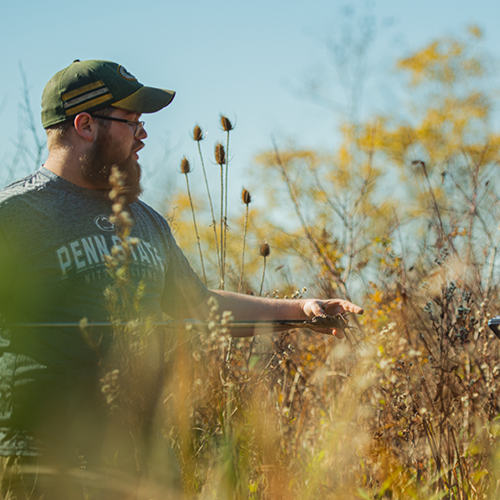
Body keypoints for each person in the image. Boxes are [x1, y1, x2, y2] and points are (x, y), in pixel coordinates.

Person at [0, 60, 363, 499]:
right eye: (131, 121)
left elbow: (197, 306)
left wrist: (302, 312)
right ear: (85, 125)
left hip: (140, 462)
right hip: (43, 464)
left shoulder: (146, 221)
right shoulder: (16, 215)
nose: (143, 135)